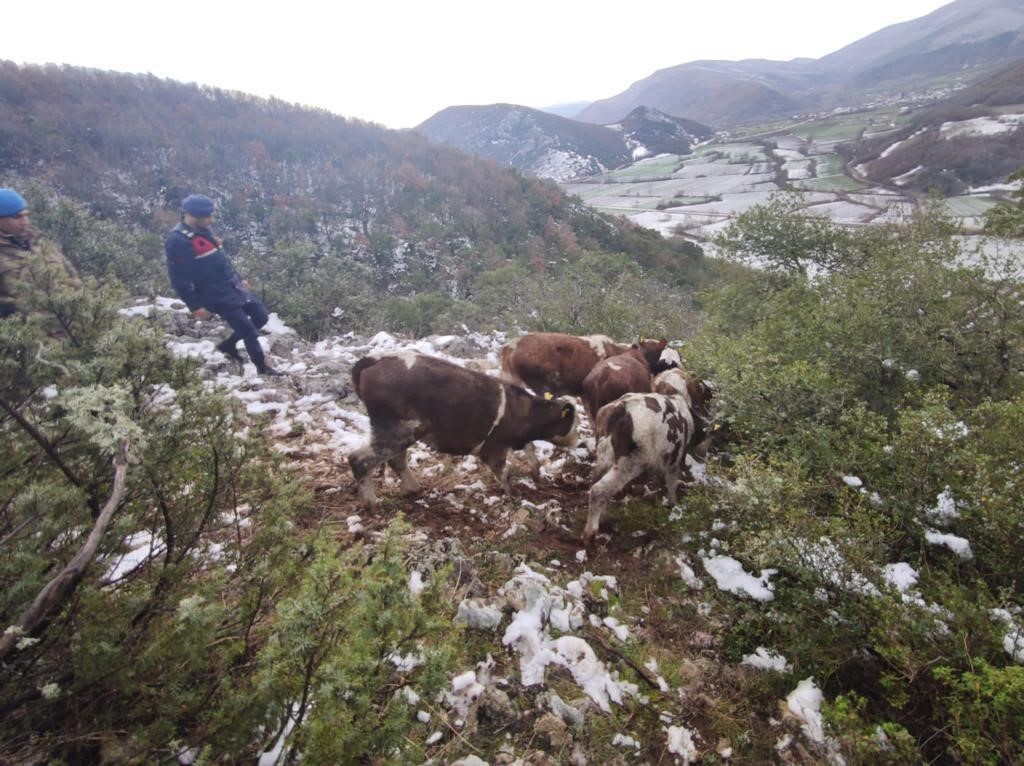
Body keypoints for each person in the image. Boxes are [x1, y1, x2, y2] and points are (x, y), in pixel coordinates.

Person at [164, 194, 284, 376]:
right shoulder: (178, 241)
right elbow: (177, 278)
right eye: (208, 217)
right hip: (215, 294)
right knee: (249, 332)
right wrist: (195, 306)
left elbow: (221, 260)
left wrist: (239, 278)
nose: (211, 220)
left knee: (261, 317)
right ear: (193, 216)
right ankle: (263, 369)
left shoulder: (203, 231)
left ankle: (228, 344)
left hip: (233, 285)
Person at [0, 188, 81, 318]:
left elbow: (73, 276)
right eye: (17, 217)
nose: (25, 222)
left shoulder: (40, 244)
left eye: (26, 215)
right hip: (25, 332)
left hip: (69, 325)